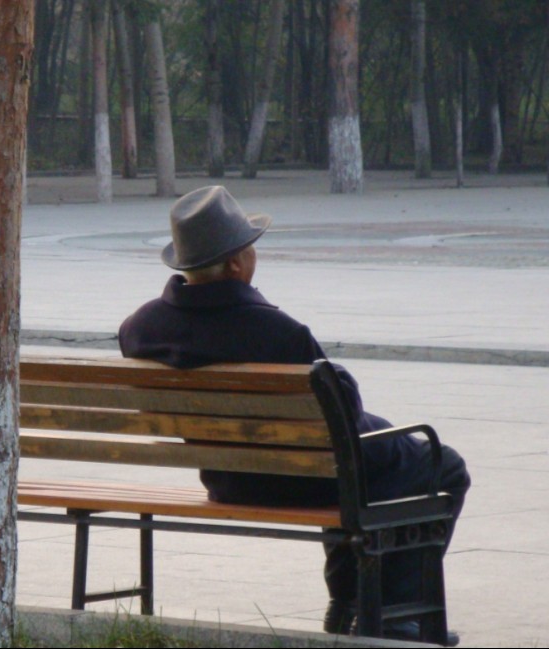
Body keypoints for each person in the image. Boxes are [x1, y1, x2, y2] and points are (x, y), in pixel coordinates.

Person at [118, 185, 470, 645]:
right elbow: (342, 419)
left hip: (227, 479)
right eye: (249, 249)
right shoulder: (278, 333)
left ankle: (348, 608)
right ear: (236, 264)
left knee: (358, 465)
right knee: (441, 465)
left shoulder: (140, 328)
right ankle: (394, 621)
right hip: (303, 477)